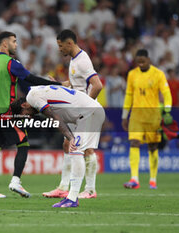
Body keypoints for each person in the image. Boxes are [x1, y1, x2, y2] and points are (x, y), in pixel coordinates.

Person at [0, 31, 61, 199]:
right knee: (23, 144)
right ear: (4, 44)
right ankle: (15, 181)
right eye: (14, 42)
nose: (16, 45)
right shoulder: (10, 62)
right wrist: (56, 85)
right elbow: (30, 78)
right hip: (3, 111)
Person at [10, 85, 105, 207]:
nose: (29, 117)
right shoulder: (35, 91)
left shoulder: (33, 97)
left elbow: (54, 117)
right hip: (84, 115)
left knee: (76, 150)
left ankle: (72, 198)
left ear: (24, 105)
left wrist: (71, 138)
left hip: (88, 114)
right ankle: (72, 195)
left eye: (25, 115)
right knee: (75, 150)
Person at [43, 29, 103, 199]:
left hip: (84, 111)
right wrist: (59, 85)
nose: (59, 49)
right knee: (67, 145)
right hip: (77, 110)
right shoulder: (75, 60)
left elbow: (97, 85)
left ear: (70, 44)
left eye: (61, 46)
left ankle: (90, 190)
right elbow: (77, 82)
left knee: (86, 149)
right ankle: (63, 187)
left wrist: (86, 106)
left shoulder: (83, 61)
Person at [122, 49, 172, 189]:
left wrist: (167, 110)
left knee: (152, 146)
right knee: (134, 142)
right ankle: (134, 179)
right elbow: (129, 96)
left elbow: (166, 93)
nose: (141, 64)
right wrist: (124, 116)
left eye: (143, 61)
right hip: (136, 116)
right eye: (138, 62)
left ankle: (153, 179)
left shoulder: (158, 74)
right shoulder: (132, 74)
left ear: (149, 60)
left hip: (153, 116)